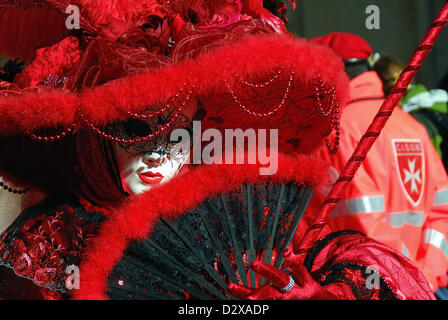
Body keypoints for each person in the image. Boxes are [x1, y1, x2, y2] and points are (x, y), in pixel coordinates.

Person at [0, 1, 435, 300]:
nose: (160, 152)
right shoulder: (51, 241)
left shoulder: (240, 222)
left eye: (184, 129)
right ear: (94, 136)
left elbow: (364, 268)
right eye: (136, 127)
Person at [309, 32, 448, 294]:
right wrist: (425, 276)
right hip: (424, 286)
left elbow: (362, 225)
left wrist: (407, 279)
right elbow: (442, 212)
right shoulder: (411, 125)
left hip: (376, 287)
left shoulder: (337, 132)